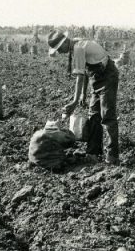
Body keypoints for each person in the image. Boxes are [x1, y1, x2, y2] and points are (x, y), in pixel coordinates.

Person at [48, 30, 119, 164]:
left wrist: (74, 102)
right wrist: (82, 94)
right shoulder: (76, 44)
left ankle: (113, 156)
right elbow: (86, 71)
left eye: (59, 49)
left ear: (64, 44)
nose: (60, 52)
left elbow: (80, 77)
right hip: (96, 78)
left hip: (107, 77)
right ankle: (93, 153)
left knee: (107, 116)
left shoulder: (78, 48)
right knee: (93, 115)